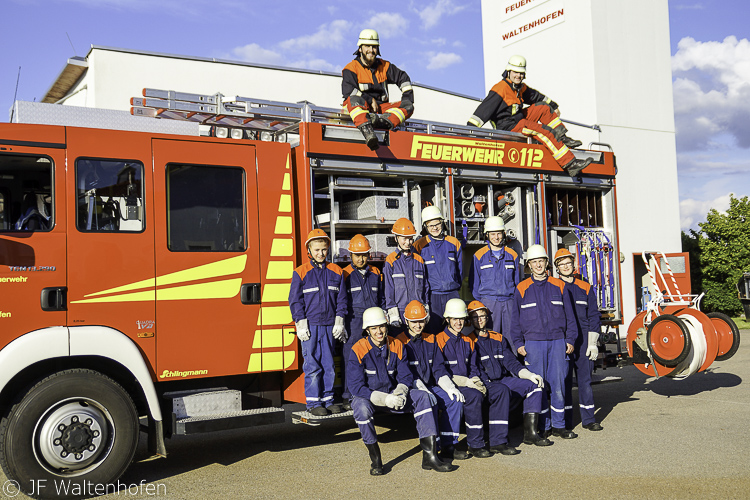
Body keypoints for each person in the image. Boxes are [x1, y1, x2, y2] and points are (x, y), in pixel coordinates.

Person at [347, 307, 455, 475]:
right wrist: (384, 399)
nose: (379, 331)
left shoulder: (396, 344)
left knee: (423, 397)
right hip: (369, 397)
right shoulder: (358, 349)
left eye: (382, 326)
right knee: (360, 409)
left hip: (395, 395)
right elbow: (356, 387)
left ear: (387, 325)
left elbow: (405, 376)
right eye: (374, 328)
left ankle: (430, 457)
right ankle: (376, 461)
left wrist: (400, 392)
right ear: (367, 330)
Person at [467, 55, 592, 177]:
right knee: (543, 131)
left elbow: (535, 96)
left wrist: (553, 105)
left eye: (521, 73)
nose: (518, 76)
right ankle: (570, 164)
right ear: (508, 71)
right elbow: (482, 112)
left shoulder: (519, 87)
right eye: (515, 72)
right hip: (508, 127)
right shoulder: (500, 89)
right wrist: (469, 131)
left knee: (543, 108)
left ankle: (562, 138)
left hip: (518, 120)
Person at [509, 244, 578, 439]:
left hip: (558, 342)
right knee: (538, 387)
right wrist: (518, 344)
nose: (538, 265)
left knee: (558, 386)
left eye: (541, 261)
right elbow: (515, 321)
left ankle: (559, 425)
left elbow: (570, 317)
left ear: (546, 263)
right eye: (534, 262)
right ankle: (543, 425)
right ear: (529, 265)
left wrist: (570, 339)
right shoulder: (521, 289)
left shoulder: (560, 285)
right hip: (533, 344)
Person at [467, 301, 552, 452]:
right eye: (475, 317)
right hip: (485, 382)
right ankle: (498, 441)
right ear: (470, 320)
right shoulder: (469, 341)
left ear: (487, 317)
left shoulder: (498, 338)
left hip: (503, 379)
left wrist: (528, 374)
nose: (479, 320)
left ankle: (531, 434)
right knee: (501, 390)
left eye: (482, 316)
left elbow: (511, 362)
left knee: (534, 386)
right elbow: (474, 370)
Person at [289, 229, 348, 416]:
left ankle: (328, 400)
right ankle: (314, 404)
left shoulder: (337, 271)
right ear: (309, 250)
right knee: (313, 364)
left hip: (330, 325)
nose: (320, 253)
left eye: (324, 249)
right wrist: (300, 323)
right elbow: (295, 300)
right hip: (310, 326)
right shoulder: (300, 273)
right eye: (316, 250)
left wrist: (340, 321)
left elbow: (342, 299)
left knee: (329, 364)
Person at [395, 300, 465, 454]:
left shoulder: (431, 339)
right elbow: (404, 373)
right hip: (413, 389)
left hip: (431, 386)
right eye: (414, 322)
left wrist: (450, 387)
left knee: (454, 400)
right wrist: (422, 390)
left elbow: (438, 368)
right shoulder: (399, 341)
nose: (418, 325)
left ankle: (449, 446)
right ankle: (435, 448)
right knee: (429, 402)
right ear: (406, 321)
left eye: (421, 321)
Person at [434, 298, 492, 459]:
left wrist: (475, 380)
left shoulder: (468, 341)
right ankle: (448, 446)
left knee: (476, 395)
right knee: (455, 400)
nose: (459, 322)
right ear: (447, 320)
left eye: (461, 319)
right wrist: (464, 382)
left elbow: (473, 367)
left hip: (465, 384)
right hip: (446, 385)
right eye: (455, 319)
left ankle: (476, 444)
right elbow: (438, 370)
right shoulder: (438, 340)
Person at [553, 248, 603, 432]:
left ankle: (589, 419)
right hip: (562, 340)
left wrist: (592, 342)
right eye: (562, 264)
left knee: (585, 381)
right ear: (557, 267)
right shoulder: (553, 286)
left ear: (574, 265)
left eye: (568, 263)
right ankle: (565, 422)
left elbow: (594, 316)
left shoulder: (585, 287)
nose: (566, 267)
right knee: (564, 381)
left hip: (583, 341)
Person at [342, 28, 415, 150]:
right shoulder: (351, 68)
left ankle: (382, 123)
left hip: (380, 111)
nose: (371, 50)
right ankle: (368, 132)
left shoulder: (385, 66)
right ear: (360, 48)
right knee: (354, 99)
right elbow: (348, 92)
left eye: (374, 47)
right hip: (359, 108)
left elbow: (403, 78)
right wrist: (369, 100)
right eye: (367, 46)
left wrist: (407, 97)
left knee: (408, 106)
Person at [341, 235, 386, 410]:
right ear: (351, 255)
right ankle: (348, 395)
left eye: (365, 255)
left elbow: (381, 297)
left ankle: (372, 391)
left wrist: (384, 315)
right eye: (357, 255)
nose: (361, 259)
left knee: (374, 356)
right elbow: (342, 300)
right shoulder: (344, 273)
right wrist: (342, 323)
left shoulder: (376, 272)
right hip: (354, 321)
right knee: (350, 357)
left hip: (374, 321)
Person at [469, 216, 520, 348]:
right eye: (492, 234)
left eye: (498, 233)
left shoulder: (512, 255)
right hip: (488, 303)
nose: (496, 237)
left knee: (511, 339)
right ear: (487, 235)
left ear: (503, 234)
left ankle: (511, 366)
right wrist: (484, 302)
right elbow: (474, 285)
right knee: (490, 337)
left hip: (509, 303)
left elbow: (517, 282)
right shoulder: (479, 256)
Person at [413, 206, 463, 331]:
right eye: (430, 225)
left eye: (437, 224)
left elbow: (460, 271)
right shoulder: (419, 245)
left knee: (454, 331)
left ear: (442, 223)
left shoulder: (454, 243)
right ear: (425, 226)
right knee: (433, 331)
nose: (435, 228)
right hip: (432, 296)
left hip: (452, 294)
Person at [383, 218, 430, 329]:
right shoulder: (390, 261)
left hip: (418, 312)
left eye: (410, 239)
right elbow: (388, 290)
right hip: (399, 313)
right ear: (396, 238)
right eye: (404, 239)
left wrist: (426, 307)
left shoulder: (419, 260)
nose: (408, 243)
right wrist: (393, 313)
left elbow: (425, 287)